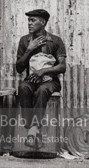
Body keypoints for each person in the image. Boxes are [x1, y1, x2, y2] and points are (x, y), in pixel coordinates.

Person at [16, 9, 66, 149]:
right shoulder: (25, 41)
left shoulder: (55, 41)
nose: (29, 23)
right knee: (23, 87)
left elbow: (62, 67)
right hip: (31, 80)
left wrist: (43, 70)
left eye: (33, 20)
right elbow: (19, 68)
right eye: (28, 20)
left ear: (43, 22)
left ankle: (32, 131)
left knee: (43, 90)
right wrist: (29, 49)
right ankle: (33, 128)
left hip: (50, 81)